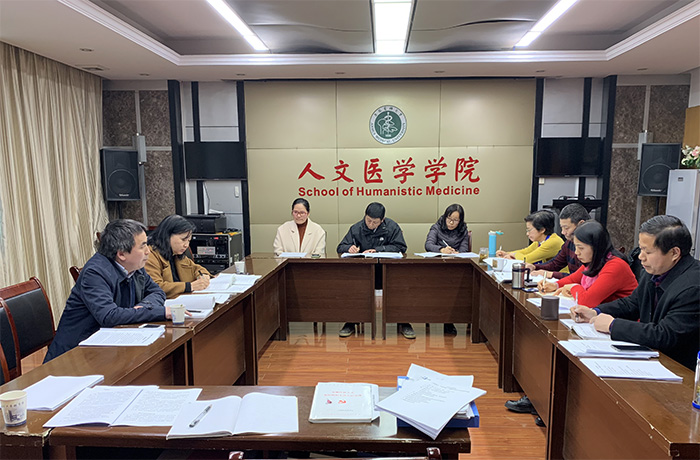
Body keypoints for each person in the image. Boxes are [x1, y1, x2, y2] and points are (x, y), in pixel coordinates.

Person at [571, 215, 700, 370]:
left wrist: (613, 326)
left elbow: (665, 335)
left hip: (680, 369)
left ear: (674, 253)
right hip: (652, 359)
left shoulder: (693, 287)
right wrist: (596, 312)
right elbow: (633, 304)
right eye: (640, 249)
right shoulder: (654, 271)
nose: (641, 257)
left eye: (648, 252)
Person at [45, 219, 169, 362]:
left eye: (147, 244)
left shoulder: (135, 266)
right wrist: (158, 312)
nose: (148, 251)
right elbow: (109, 316)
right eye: (142, 246)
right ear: (121, 254)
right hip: (76, 356)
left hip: (110, 348)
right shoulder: (95, 272)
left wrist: (144, 307)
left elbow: (157, 292)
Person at [336, 202, 409, 338]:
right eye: (368, 220)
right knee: (353, 287)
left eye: (375, 222)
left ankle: (404, 322)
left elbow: (401, 247)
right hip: (364, 272)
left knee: (400, 286)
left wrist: (378, 250)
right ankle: (351, 322)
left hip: (387, 271)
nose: (370, 224)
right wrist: (349, 248)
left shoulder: (392, 227)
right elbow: (340, 247)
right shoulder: (356, 228)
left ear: (382, 220)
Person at [538, 221, 637, 307]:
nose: (576, 252)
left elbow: (587, 301)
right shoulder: (595, 261)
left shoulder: (615, 266)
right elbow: (573, 278)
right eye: (576, 247)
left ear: (596, 247)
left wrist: (573, 287)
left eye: (581, 248)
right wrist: (555, 285)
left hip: (622, 318)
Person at [425, 203, 471, 335]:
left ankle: (449, 321)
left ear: (460, 221)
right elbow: (428, 245)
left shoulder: (463, 230)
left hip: (454, 267)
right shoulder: (437, 227)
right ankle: (431, 316)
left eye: (455, 220)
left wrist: (456, 253)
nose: (451, 223)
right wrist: (441, 249)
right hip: (436, 267)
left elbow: (464, 250)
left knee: (454, 286)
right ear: (445, 217)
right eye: (449, 219)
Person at [145, 215, 211, 299]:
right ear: (167, 235)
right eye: (183, 240)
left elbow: (195, 268)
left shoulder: (176, 254)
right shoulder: (150, 255)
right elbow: (156, 286)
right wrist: (189, 286)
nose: (186, 245)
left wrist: (203, 275)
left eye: (189, 241)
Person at [526, 203, 590, 279]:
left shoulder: (592, 246)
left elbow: (582, 277)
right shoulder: (569, 242)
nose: (563, 232)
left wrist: (551, 274)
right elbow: (556, 263)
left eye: (566, 228)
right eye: (561, 228)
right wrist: (535, 267)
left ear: (581, 224)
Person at [496, 210, 563, 264]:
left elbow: (527, 259)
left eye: (529, 230)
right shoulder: (540, 241)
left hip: (559, 275)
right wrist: (506, 253)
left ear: (542, 230)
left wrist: (513, 255)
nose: (527, 234)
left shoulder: (552, 242)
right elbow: (526, 251)